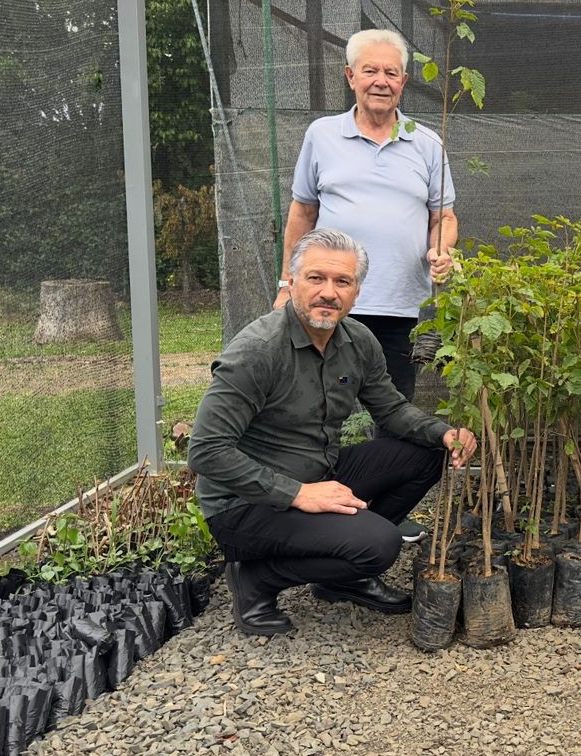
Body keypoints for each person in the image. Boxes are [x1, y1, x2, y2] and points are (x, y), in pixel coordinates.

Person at [191, 227, 478, 636]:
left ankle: (340, 573)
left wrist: (445, 433)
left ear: (356, 292)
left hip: (316, 473)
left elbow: (391, 409)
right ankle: (256, 580)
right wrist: (299, 494)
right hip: (244, 505)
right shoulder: (257, 350)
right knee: (380, 544)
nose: (329, 292)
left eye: (342, 281)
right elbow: (207, 451)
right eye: (316, 278)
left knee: (423, 454)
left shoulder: (357, 341)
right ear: (291, 282)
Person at [274, 28, 457, 404]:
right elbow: (303, 212)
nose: (381, 82)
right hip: (328, 300)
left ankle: (386, 466)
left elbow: (444, 217)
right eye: (370, 71)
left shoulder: (427, 143)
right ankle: (319, 467)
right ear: (350, 76)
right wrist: (286, 284)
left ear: (404, 82)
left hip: (400, 305)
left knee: (392, 408)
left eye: (391, 74)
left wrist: (443, 251)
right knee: (313, 404)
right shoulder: (321, 136)